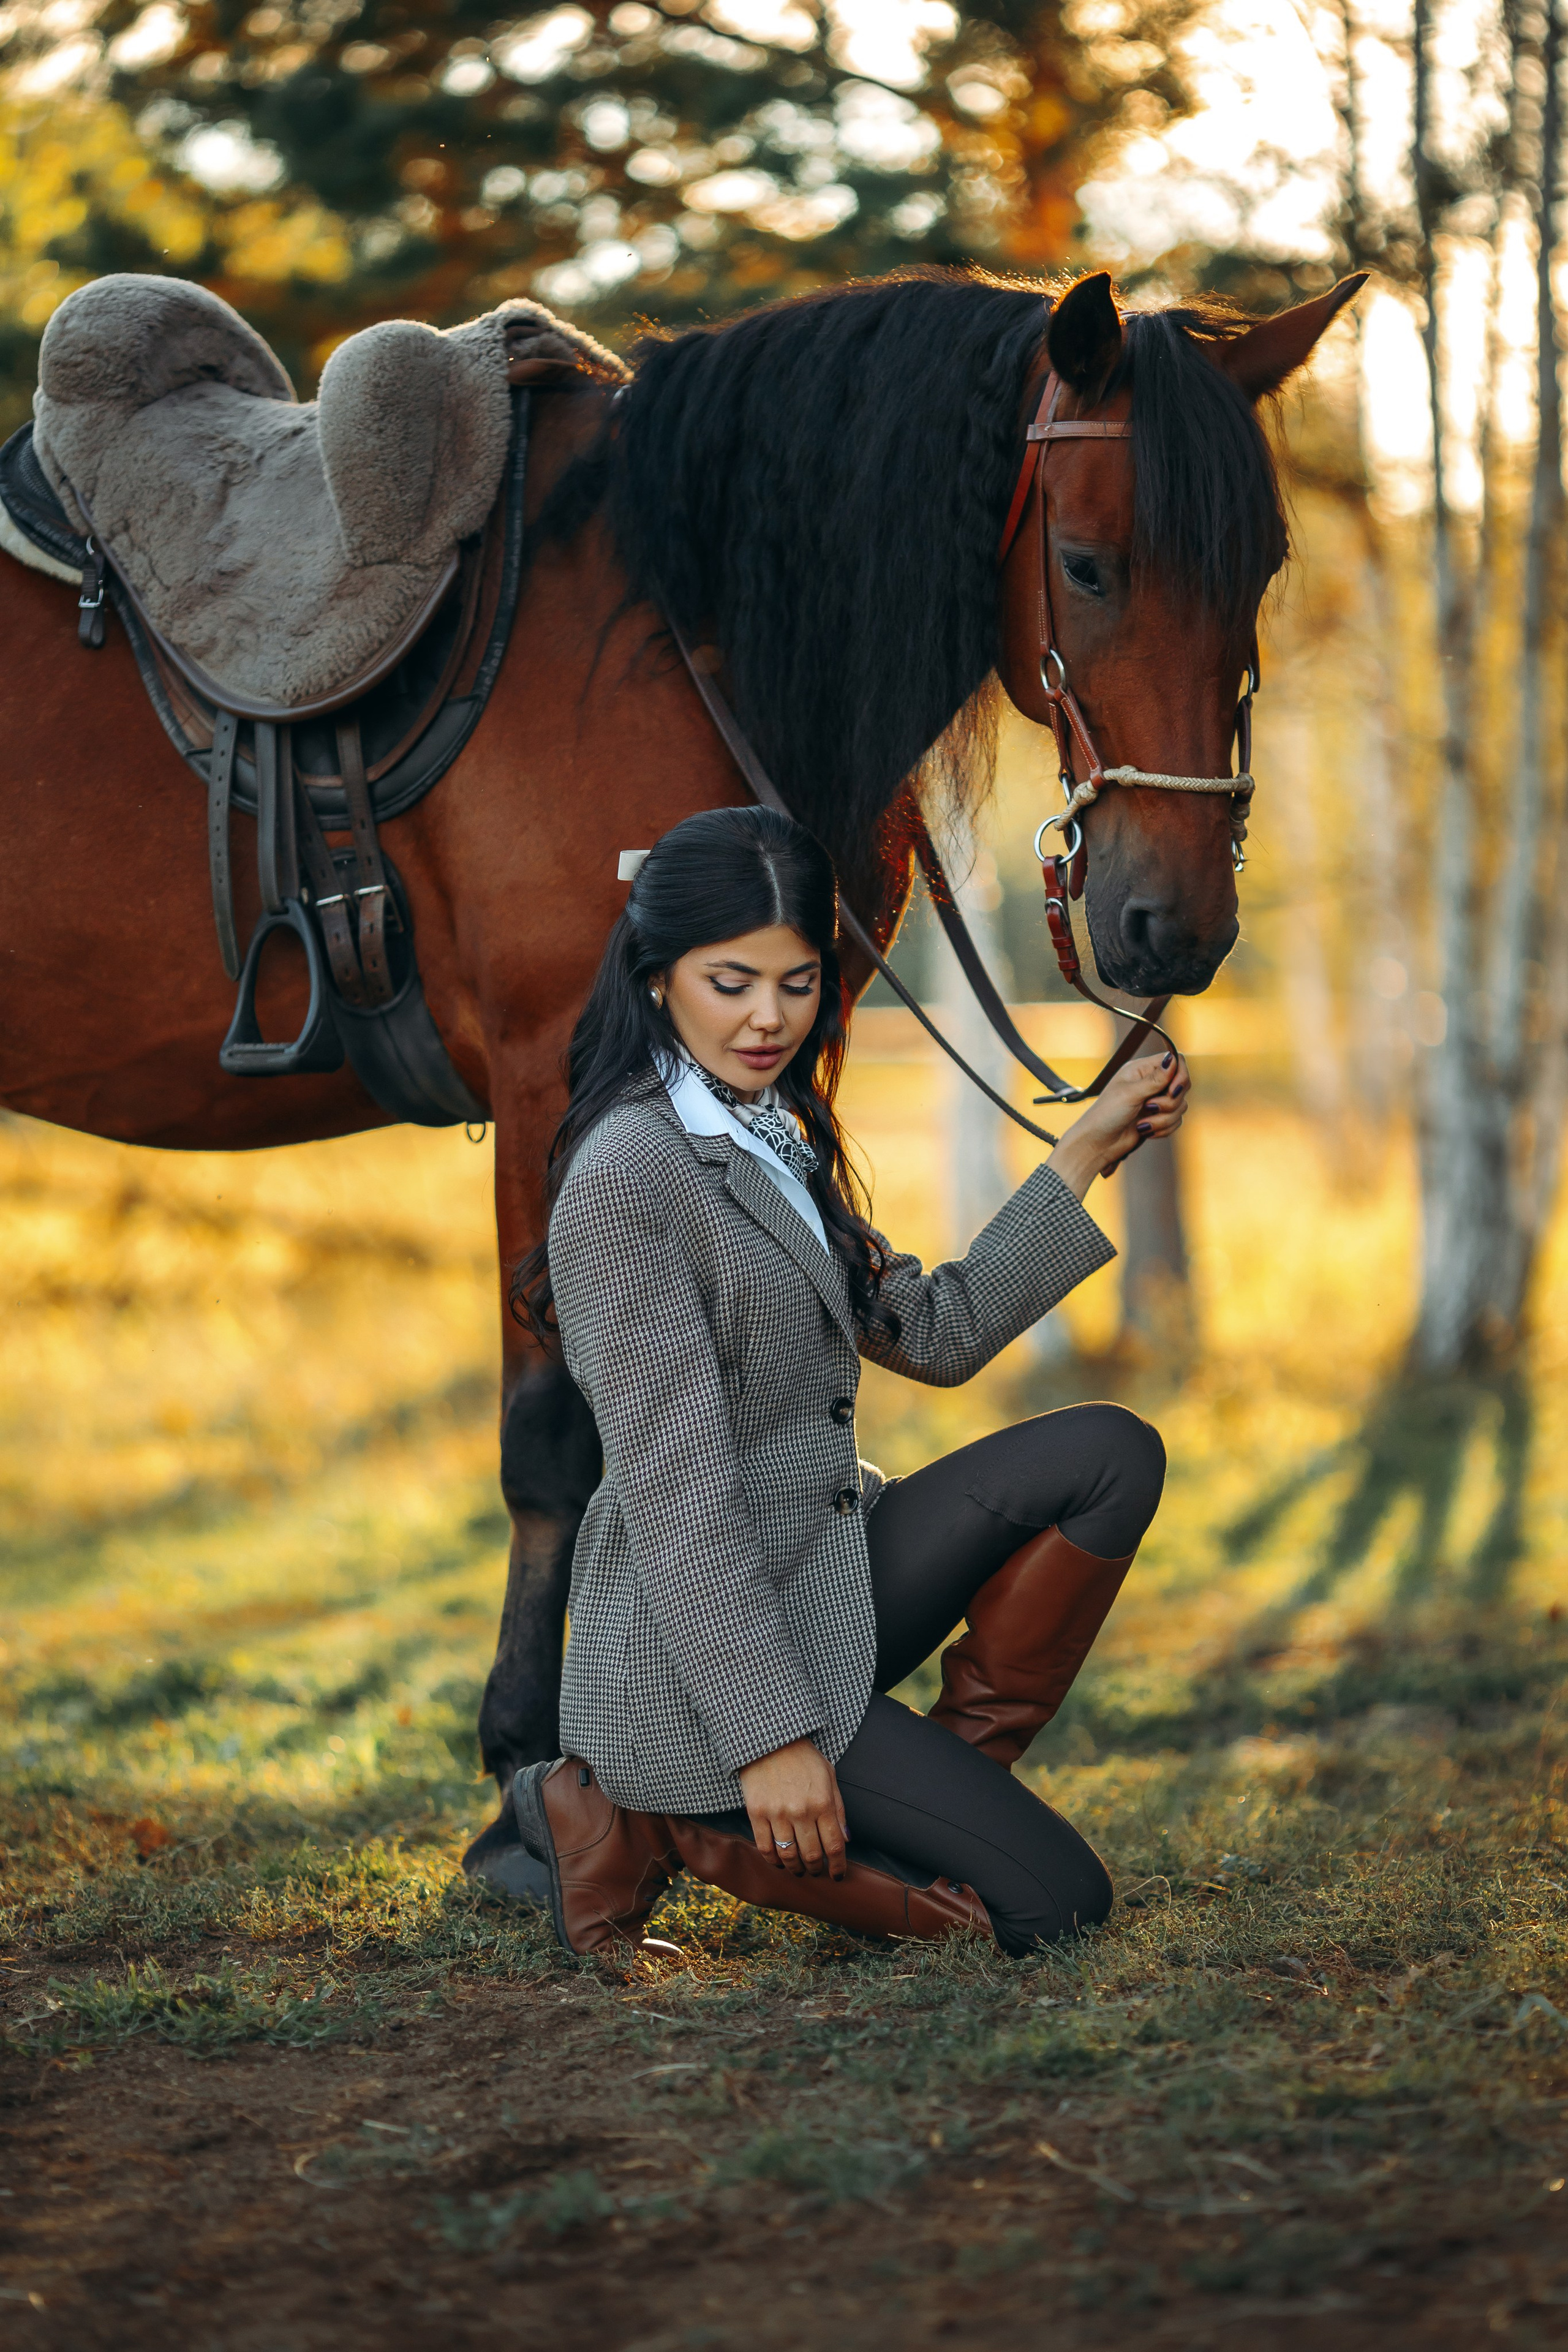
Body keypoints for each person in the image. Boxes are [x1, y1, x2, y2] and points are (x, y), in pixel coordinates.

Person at [510, 805, 1186, 1957]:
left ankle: (924, 1803)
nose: (769, 1019)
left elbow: (936, 1332)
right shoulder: (630, 1175)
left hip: (819, 1566)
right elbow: (678, 1498)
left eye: (798, 983)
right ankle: (653, 1820)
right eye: (730, 984)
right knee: (1055, 1906)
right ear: (658, 976)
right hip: (699, 1661)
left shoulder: (767, 1124)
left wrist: (1085, 1150)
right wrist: (771, 1737)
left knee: (1110, 1454)